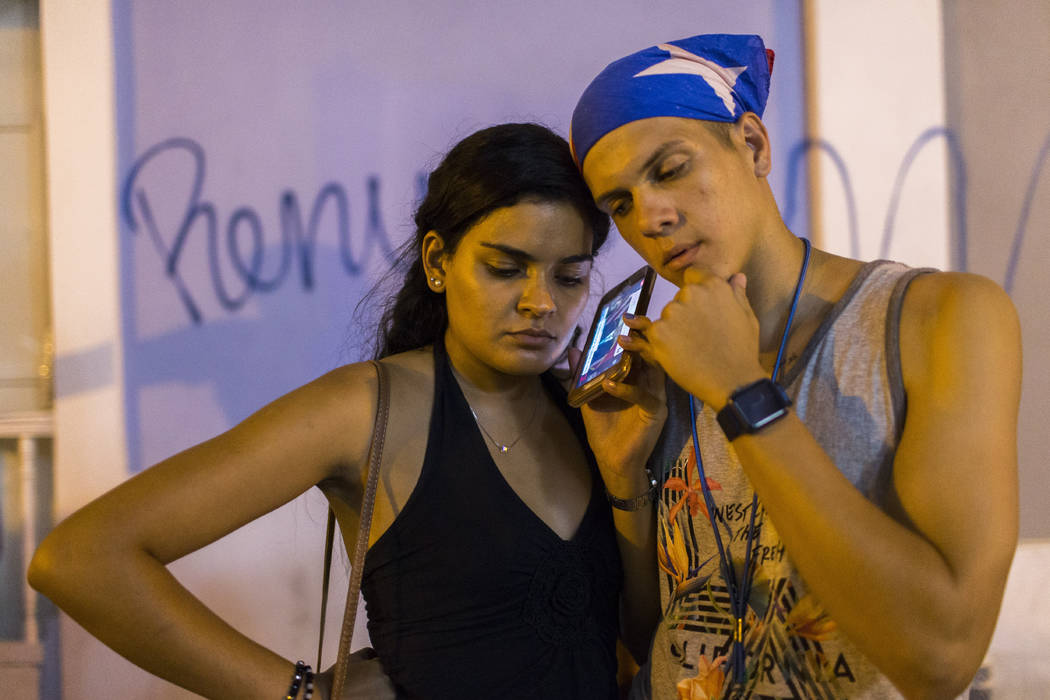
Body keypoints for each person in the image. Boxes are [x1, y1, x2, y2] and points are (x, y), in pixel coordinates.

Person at [28, 123, 625, 699]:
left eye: (570, 277)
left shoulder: (593, 410)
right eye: (505, 268)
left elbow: (644, 629)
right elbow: (81, 558)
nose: (541, 302)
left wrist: (634, 462)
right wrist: (298, 693)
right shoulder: (366, 407)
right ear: (438, 261)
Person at [570, 34, 1020, 699]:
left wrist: (740, 391)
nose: (653, 219)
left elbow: (942, 657)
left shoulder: (938, 318)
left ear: (752, 144)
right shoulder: (662, 371)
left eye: (669, 169)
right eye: (621, 205)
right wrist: (623, 478)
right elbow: (658, 641)